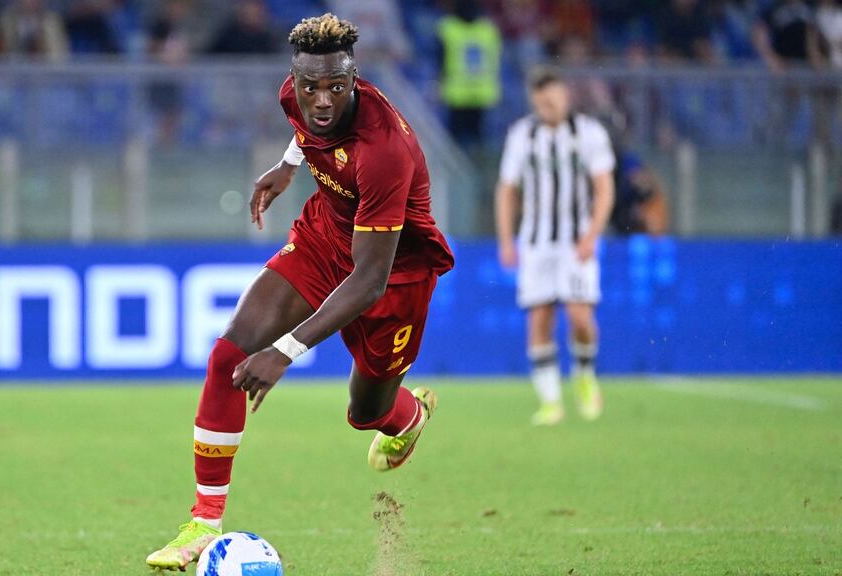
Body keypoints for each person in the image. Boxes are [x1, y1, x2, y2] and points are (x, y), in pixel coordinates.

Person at [145, 13, 454, 571]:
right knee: (228, 355)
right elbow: (309, 129)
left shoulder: (385, 151)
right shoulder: (297, 94)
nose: (322, 100)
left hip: (393, 275)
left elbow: (368, 280)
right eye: (310, 85)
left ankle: (408, 416)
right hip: (324, 236)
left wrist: (285, 351)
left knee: (367, 411)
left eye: (336, 86)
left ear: (355, 77)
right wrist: (289, 166)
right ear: (296, 77)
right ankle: (202, 524)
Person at [494, 68, 615, 427]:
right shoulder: (522, 134)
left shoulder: (588, 133)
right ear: (535, 101)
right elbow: (507, 189)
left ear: (566, 95)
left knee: (580, 317)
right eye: (542, 101)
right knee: (539, 319)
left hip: (575, 240)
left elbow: (604, 187)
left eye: (554, 98)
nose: (549, 105)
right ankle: (550, 402)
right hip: (535, 242)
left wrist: (593, 234)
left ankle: (584, 374)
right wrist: (506, 239)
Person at [436, 0, 502, 148]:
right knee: (473, 140)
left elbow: (439, 59)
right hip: (477, 91)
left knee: (460, 142)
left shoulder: (447, 27)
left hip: (459, 91)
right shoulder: (488, 29)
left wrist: (439, 83)